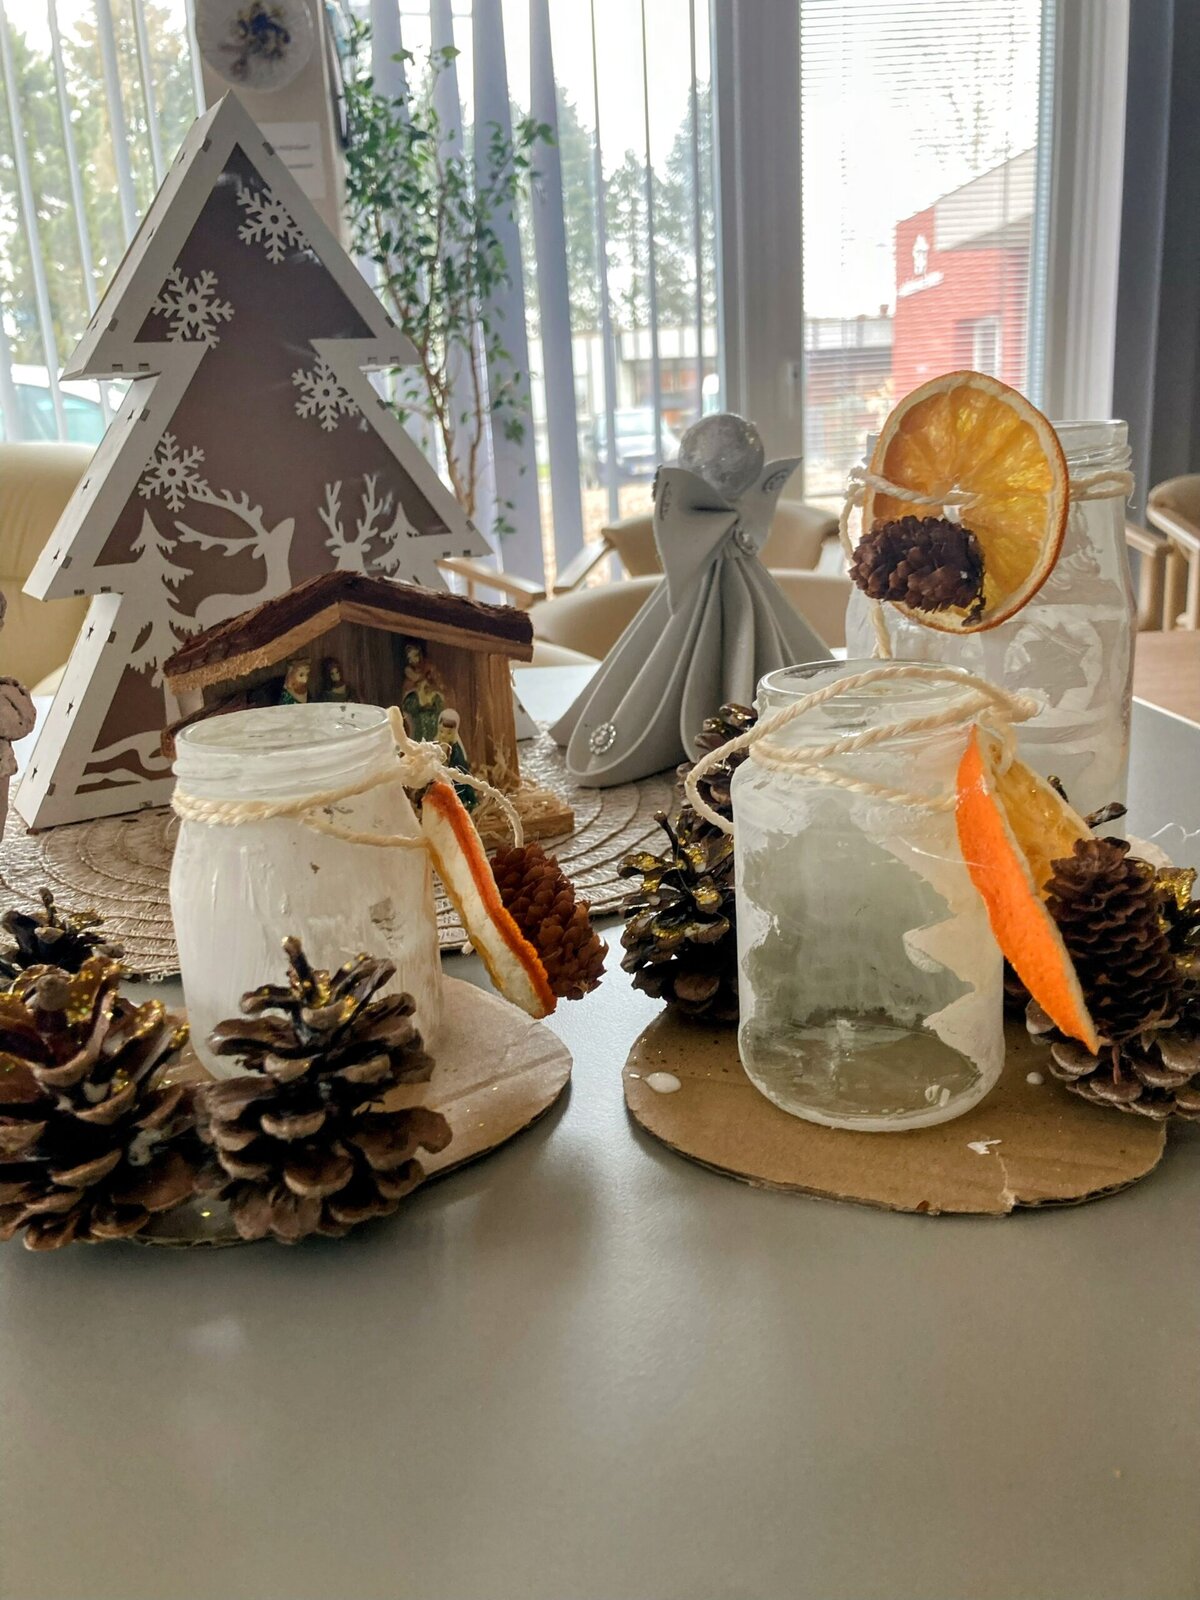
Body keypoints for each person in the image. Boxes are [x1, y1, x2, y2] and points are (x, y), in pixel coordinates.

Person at [400, 639, 445, 742]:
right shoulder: (409, 679)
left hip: (433, 715)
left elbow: (441, 689)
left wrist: (433, 691)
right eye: (410, 658)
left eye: (415, 656)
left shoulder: (430, 670)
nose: (414, 660)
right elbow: (407, 704)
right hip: (418, 718)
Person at [437, 707, 475, 810]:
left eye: (449, 733)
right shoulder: (436, 745)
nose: (444, 735)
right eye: (441, 731)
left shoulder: (456, 752)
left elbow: (460, 772)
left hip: (455, 786)